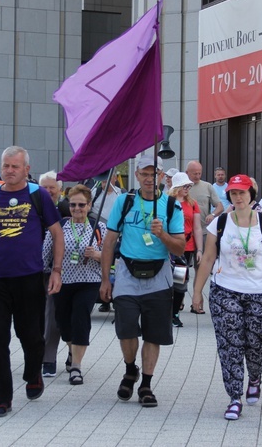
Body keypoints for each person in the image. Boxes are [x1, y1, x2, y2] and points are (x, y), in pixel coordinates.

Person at [0, 146, 64, 418]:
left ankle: (33, 373)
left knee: (31, 336)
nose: (9, 171)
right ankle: (1, 399)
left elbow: (56, 234)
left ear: (26, 169)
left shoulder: (38, 195)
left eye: (15, 166)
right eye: (5, 166)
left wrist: (56, 271)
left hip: (29, 276)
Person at [193, 174, 262, 420]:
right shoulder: (220, 223)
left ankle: (255, 376)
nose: (238, 197)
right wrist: (197, 291)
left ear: (252, 195)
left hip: (260, 293)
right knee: (230, 345)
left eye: (242, 193)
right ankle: (234, 397)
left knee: (257, 345)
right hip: (225, 290)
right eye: (234, 193)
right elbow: (207, 258)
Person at [99, 154, 185, 408]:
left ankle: (146, 384)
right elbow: (109, 241)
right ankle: (129, 369)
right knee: (125, 329)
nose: (149, 179)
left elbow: (180, 249)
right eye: (145, 174)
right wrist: (105, 279)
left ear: (162, 176)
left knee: (153, 333)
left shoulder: (171, 206)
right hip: (127, 272)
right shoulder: (124, 202)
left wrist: (164, 236)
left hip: (159, 276)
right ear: (136, 175)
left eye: (154, 174)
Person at [43, 184, 107, 385]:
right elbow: (45, 252)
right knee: (63, 322)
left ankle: (76, 367)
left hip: (88, 281)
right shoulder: (59, 226)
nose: (77, 209)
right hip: (63, 281)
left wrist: (97, 255)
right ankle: (72, 349)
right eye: (73, 205)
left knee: (81, 318)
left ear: (89, 205)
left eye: (81, 205)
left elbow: (109, 256)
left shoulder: (99, 228)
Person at [38, 170, 67, 378]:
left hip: (56, 270)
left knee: (52, 315)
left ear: (60, 190)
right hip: (30, 269)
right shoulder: (31, 208)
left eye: (52, 188)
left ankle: (49, 358)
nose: (48, 192)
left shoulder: (65, 210)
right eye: (44, 188)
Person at [167, 171, 202, 328]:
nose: (187, 188)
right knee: (166, 281)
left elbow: (197, 227)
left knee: (180, 282)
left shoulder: (192, 203)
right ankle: (164, 313)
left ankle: (174, 313)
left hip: (185, 248)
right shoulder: (167, 201)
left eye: (189, 185)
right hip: (168, 247)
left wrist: (199, 249)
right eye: (184, 185)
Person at [90, 171, 122, 313]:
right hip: (97, 231)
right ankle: (103, 299)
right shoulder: (94, 193)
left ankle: (114, 296)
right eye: (102, 181)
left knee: (112, 263)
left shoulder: (120, 194)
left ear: (115, 178)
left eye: (108, 179)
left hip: (114, 232)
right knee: (97, 261)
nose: (105, 183)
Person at [187, 160, 223, 285]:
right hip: (185, 233)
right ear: (187, 173)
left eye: (199, 173)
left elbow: (220, 206)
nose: (197, 176)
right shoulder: (182, 188)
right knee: (182, 267)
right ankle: (180, 298)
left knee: (200, 266)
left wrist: (212, 214)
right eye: (194, 174)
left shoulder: (207, 186)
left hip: (202, 232)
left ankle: (196, 298)